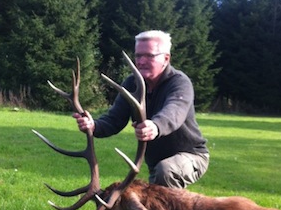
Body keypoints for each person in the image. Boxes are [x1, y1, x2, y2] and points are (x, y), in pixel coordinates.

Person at [73, 30, 209, 188]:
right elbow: (114, 120)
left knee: (166, 173)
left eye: (149, 56)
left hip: (191, 155)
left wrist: (155, 126)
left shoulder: (179, 83)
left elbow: (174, 112)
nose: (141, 61)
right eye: (138, 55)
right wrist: (94, 126)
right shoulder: (131, 84)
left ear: (166, 58)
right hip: (157, 164)